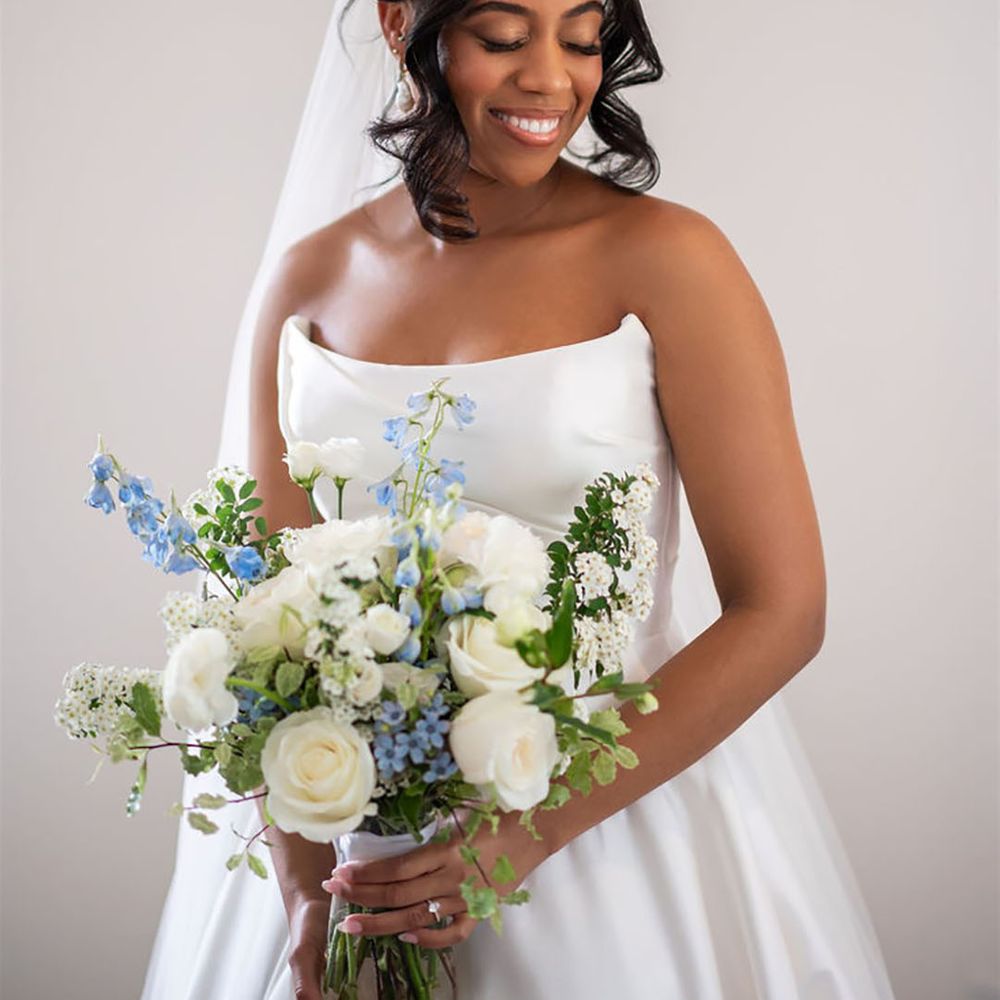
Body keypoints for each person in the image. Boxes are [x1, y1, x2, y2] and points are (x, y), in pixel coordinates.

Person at [141, 1, 898, 997]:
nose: (550, 79)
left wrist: (521, 836)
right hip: (358, 849)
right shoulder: (309, 280)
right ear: (403, 21)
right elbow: (262, 614)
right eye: (504, 37)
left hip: (612, 829)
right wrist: (307, 888)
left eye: (581, 40)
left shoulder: (671, 260)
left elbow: (783, 608)